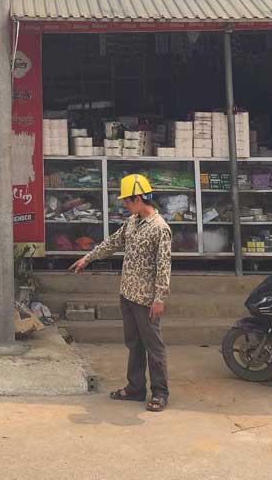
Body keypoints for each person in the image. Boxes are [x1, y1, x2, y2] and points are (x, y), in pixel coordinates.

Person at [70, 173, 172, 412]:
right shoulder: (132, 222)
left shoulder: (160, 229)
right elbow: (112, 243)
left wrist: (159, 299)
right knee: (134, 344)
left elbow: (164, 267)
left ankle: (160, 392)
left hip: (147, 300)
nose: (124, 205)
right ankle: (135, 388)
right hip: (127, 294)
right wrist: (88, 258)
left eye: (127, 200)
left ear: (138, 198)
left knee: (154, 347)